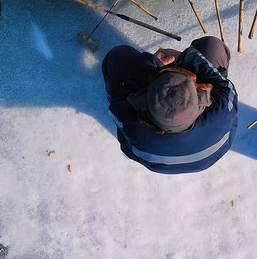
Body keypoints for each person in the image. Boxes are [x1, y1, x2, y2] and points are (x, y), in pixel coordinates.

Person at [102, 36, 238, 174]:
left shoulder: (133, 125)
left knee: (120, 55)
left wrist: (149, 63)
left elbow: (118, 103)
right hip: (206, 158)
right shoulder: (222, 111)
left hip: (152, 145)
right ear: (199, 97)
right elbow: (225, 87)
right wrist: (188, 58)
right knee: (212, 45)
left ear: (144, 100)